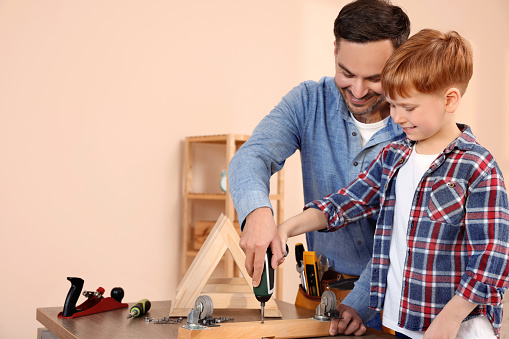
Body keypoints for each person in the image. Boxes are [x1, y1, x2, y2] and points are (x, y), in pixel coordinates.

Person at [277, 28, 509, 338]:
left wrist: (450, 318)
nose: (397, 117)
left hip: (458, 328)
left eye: (409, 108)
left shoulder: (476, 166)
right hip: (404, 323)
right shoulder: (393, 156)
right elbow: (346, 203)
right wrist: (286, 228)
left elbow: (493, 255)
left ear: (449, 99)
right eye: (393, 105)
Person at [228, 0, 410, 333]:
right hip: (317, 298)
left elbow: (404, 241)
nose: (357, 91)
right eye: (346, 73)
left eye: (373, 78)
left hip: (393, 309)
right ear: (335, 50)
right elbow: (251, 157)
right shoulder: (307, 101)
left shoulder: (417, 129)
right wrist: (257, 213)